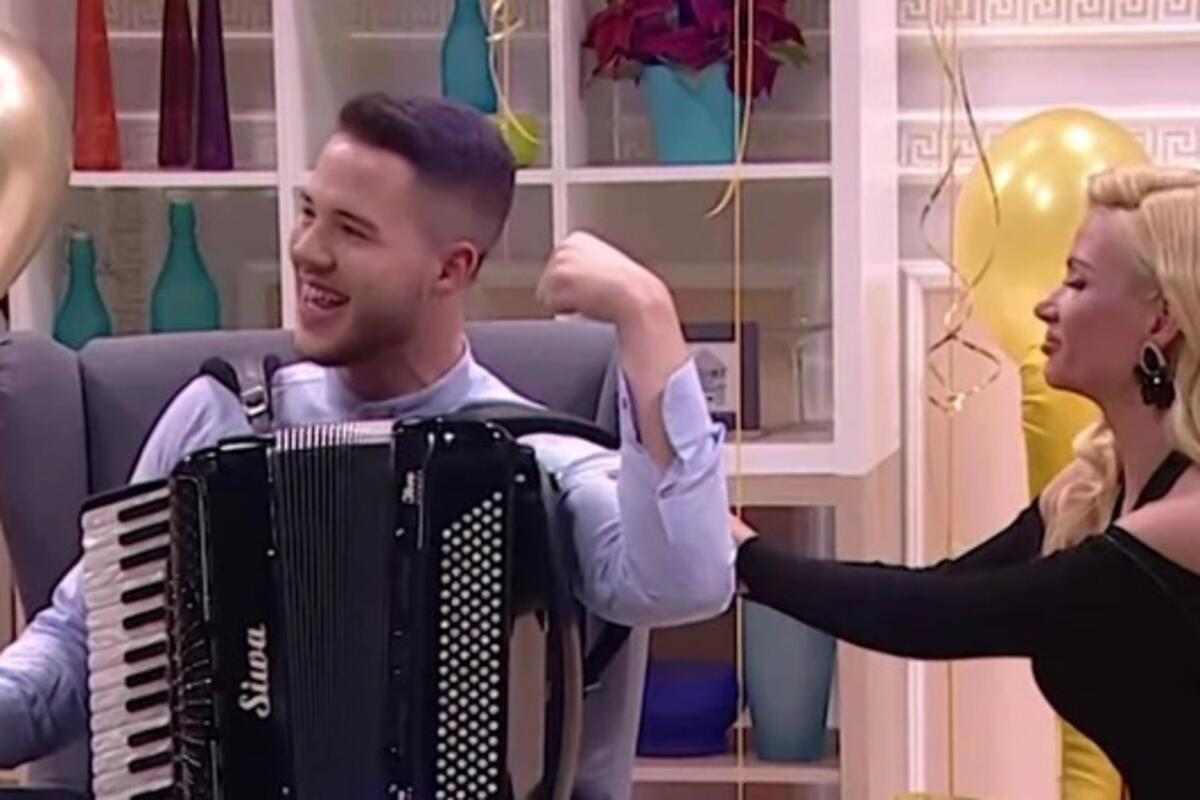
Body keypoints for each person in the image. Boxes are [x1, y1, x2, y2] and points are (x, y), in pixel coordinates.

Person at [0, 93, 736, 799]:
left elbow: (688, 581)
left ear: (451, 269)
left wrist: (647, 312)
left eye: (351, 231)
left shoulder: (537, 459)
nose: (307, 251)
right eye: (309, 213)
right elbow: (80, 643)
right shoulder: (220, 414)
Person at [730, 165, 1200, 799]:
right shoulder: (1095, 488)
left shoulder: (1184, 518)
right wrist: (749, 562)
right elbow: (946, 584)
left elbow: (942, 616)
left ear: (1161, 320)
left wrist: (747, 559)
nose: (1046, 305)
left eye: (1077, 281)